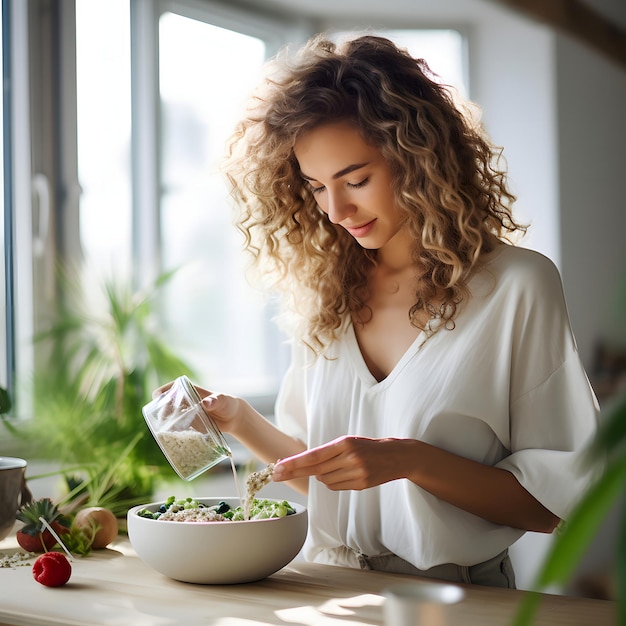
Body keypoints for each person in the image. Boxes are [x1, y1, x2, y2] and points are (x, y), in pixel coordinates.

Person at [158, 34, 600, 588]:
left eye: (357, 180)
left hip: (457, 599)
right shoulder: (328, 295)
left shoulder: (517, 287)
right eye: (317, 187)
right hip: (327, 588)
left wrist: (410, 460)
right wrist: (240, 421)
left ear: (418, 159)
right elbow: (322, 474)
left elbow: (553, 505)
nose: (337, 210)